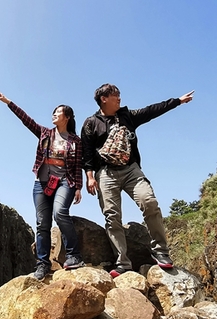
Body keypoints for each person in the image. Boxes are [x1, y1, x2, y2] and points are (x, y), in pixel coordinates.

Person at [82, 83, 194, 276]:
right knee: (112, 217)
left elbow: (152, 110)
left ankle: (161, 252)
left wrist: (177, 101)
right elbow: (86, 153)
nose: (119, 98)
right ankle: (122, 263)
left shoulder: (127, 116)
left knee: (149, 201)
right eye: (115, 95)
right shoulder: (91, 123)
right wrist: (90, 177)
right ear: (104, 98)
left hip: (131, 170)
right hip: (106, 174)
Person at [0, 90, 85, 280]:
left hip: (64, 182)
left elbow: (78, 166)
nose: (54, 114)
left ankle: (73, 255)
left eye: (58, 112)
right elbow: (25, 119)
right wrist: (7, 102)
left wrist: (78, 187)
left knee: (60, 212)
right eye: (53, 112)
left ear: (67, 117)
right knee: (42, 224)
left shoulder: (76, 141)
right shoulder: (45, 133)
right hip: (42, 183)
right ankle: (43, 264)